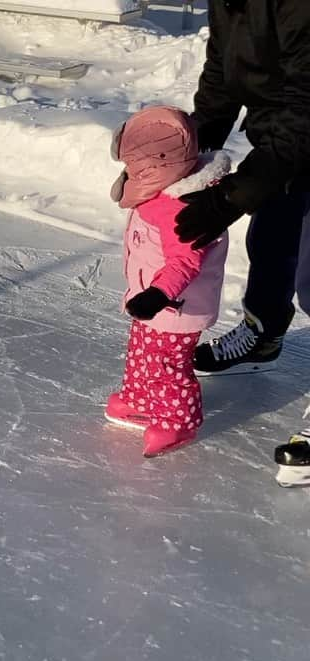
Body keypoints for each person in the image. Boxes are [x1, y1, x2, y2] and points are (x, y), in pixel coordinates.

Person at [173, 0, 310, 376]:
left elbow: (305, 109)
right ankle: (263, 335)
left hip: (297, 136)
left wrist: (234, 196)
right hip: (281, 144)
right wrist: (187, 157)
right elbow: (221, 74)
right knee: (271, 240)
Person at [106, 105, 230, 457]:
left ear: (160, 164)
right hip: (151, 295)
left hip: (175, 304)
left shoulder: (181, 206)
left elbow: (186, 260)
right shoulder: (159, 191)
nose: (130, 173)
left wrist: (159, 294)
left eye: (135, 166)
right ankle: (139, 398)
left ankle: (179, 423)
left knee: (165, 364)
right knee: (142, 350)